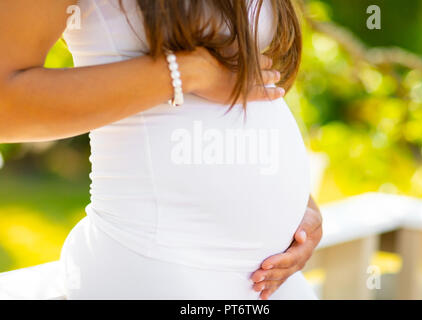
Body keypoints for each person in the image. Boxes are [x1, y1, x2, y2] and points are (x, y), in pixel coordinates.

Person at [0, 0, 323, 299]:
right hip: (161, 260)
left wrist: (294, 203)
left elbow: (246, 84)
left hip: (273, 277)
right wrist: (189, 72)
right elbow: (6, 103)